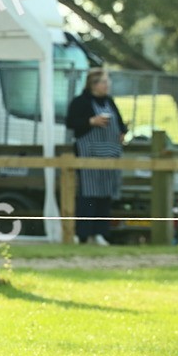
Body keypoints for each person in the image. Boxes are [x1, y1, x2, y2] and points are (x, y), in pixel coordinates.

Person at [66, 68, 128, 245]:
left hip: (110, 154)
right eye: (104, 82)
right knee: (88, 195)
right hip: (89, 154)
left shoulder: (110, 102)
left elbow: (121, 125)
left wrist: (122, 132)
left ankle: (100, 233)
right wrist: (91, 121)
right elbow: (71, 122)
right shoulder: (81, 102)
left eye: (108, 82)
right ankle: (83, 235)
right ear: (93, 84)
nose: (107, 85)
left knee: (105, 195)